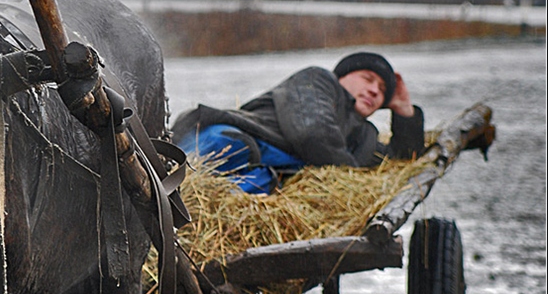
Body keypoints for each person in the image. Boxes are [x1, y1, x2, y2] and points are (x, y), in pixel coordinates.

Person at [171, 52, 425, 195]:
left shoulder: (363, 136)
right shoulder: (318, 80)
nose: (373, 90)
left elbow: (402, 159)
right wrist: (349, 178)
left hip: (261, 173)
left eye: (382, 90)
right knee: (185, 188)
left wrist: (404, 111)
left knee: (241, 196)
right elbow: (313, 134)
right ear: (343, 76)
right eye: (367, 79)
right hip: (228, 141)